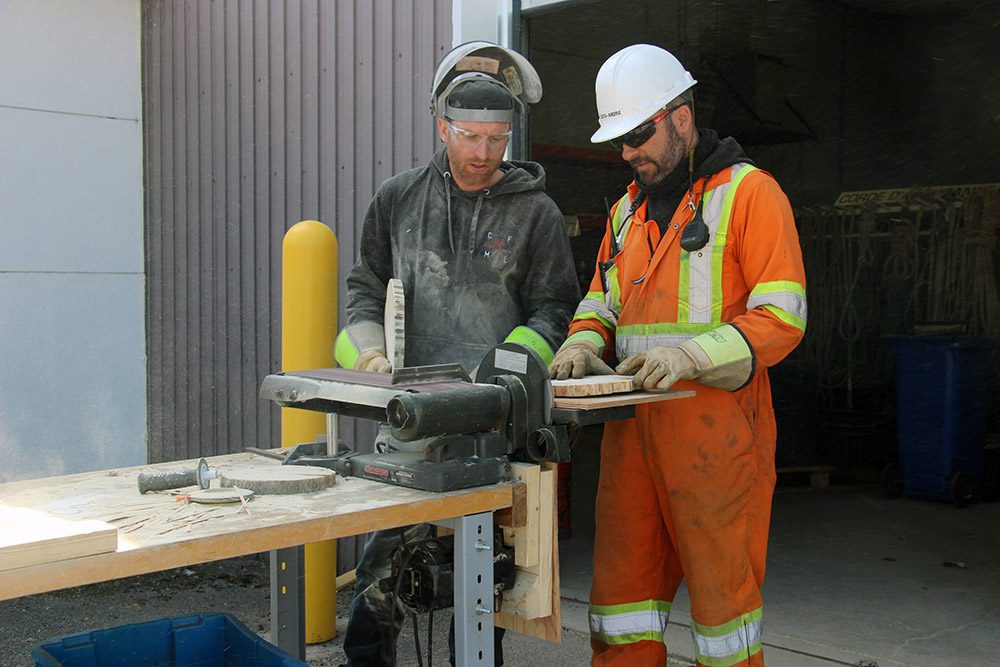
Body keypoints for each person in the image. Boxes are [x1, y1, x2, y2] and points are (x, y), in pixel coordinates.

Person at [549, 44, 807, 667]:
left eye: (637, 135)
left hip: (715, 438)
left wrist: (693, 355)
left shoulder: (751, 195)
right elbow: (600, 301)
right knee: (622, 602)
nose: (627, 153)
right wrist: (583, 341)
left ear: (681, 119)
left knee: (724, 614)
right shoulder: (625, 212)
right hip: (633, 440)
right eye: (619, 141)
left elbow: (784, 315)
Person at [334, 41, 579, 667]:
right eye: (469, 137)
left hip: (493, 425)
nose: (482, 154)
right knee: (382, 572)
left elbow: (555, 309)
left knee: (482, 582)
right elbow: (365, 284)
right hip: (412, 418)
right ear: (442, 126)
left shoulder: (537, 214)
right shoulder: (398, 200)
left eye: (497, 140)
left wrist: (501, 375)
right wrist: (367, 349)